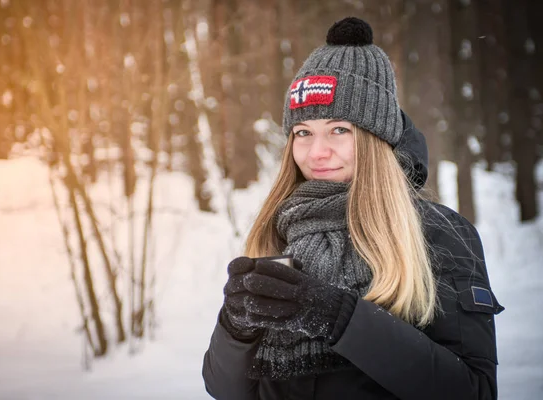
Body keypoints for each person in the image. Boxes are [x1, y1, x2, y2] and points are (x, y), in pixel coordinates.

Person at [202, 17, 504, 400]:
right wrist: (236, 328)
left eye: (339, 129)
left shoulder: (437, 233)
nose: (317, 152)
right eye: (303, 133)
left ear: (375, 137)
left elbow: (472, 391)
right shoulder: (279, 231)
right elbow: (226, 391)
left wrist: (338, 316)